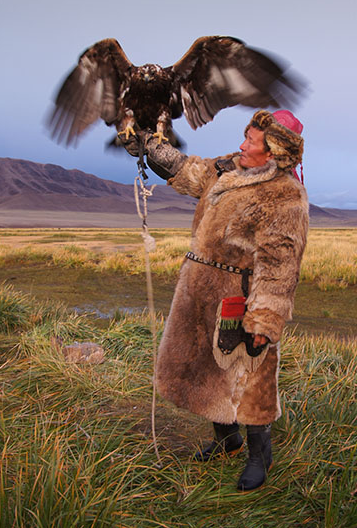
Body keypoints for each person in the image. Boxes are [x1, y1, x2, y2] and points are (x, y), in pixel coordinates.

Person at [121, 109, 309, 491]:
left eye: (251, 141)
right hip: (199, 288)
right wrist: (147, 145)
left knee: (251, 374)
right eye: (245, 135)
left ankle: (260, 455)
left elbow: (280, 263)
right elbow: (188, 171)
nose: (242, 144)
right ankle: (227, 439)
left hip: (240, 298)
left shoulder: (285, 196)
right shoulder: (226, 170)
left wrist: (264, 319)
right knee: (209, 366)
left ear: (273, 152)